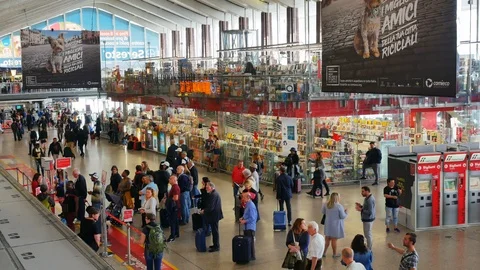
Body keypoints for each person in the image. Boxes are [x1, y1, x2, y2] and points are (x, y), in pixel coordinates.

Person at [322, 192, 348, 257]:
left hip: (328, 224)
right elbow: (342, 216)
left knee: (327, 239)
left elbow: (323, 212)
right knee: (334, 240)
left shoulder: (326, 204)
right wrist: (346, 213)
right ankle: (334, 254)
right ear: (337, 198)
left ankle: (324, 253)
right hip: (335, 225)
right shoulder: (339, 206)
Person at [202, 181, 223, 252]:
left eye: (207, 187)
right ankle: (215, 244)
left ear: (211, 187)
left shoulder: (213, 195)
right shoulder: (213, 194)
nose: (206, 188)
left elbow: (211, 207)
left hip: (214, 216)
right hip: (214, 215)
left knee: (215, 231)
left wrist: (204, 210)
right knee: (214, 231)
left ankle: (216, 246)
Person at [239, 192, 257, 260]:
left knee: (250, 242)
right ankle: (249, 254)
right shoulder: (247, 204)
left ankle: (252, 256)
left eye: (243, 197)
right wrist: (242, 218)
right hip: (247, 227)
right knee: (248, 241)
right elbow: (247, 214)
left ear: (248, 197)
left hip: (250, 227)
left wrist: (245, 221)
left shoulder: (251, 206)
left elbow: (253, 217)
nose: (242, 199)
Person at [166, 175, 180, 242]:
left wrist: (169, 199)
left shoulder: (175, 188)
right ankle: (177, 233)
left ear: (174, 180)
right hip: (175, 207)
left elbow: (176, 198)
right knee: (175, 221)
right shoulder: (173, 187)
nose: (169, 180)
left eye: (170, 179)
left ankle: (172, 235)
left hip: (173, 208)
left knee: (172, 222)